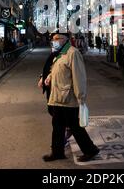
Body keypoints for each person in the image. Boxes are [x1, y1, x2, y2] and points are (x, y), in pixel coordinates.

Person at [42, 32, 100, 162]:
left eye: (57, 39)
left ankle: (90, 150)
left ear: (65, 40)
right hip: (57, 97)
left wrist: (81, 98)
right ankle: (57, 152)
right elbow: (56, 70)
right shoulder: (60, 54)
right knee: (57, 126)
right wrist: (48, 78)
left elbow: (79, 77)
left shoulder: (73, 53)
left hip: (68, 98)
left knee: (74, 126)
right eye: (53, 39)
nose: (54, 41)